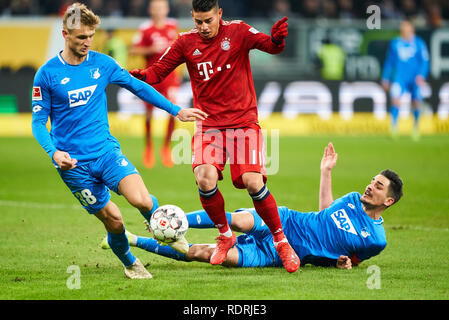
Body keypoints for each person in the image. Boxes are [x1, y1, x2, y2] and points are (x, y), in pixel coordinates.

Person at [31, 3, 207, 279]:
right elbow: (39, 122)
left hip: (105, 153)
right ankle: (130, 262)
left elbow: (138, 87)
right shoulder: (47, 74)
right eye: (81, 38)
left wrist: (176, 110)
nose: (87, 42)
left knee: (143, 200)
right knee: (114, 221)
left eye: (90, 36)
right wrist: (53, 153)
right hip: (73, 165)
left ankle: (168, 232)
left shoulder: (103, 64)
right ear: (65, 34)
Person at [130, 0, 300, 272]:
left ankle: (281, 241)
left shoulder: (238, 32)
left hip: (243, 122)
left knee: (253, 182)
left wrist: (278, 40)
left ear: (219, 14)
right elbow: (157, 72)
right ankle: (224, 234)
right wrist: (137, 77)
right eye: (198, 21)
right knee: (204, 177)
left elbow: (270, 46)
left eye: (209, 20)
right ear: (192, 17)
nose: (204, 27)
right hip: (209, 125)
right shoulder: (185, 42)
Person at [107, 142, 403, 270]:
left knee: (205, 254)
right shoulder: (352, 199)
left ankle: (135, 241)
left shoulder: (376, 240)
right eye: (372, 181)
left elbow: (352, 261)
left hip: (281, 254)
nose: (370, 186)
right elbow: (326, 212)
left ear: (388, 201)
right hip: (289, 222)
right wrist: (326, 171)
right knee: (238, 221)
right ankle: (170, 220)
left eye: (378, 186)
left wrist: (345, 264)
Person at [129, 0, 181, 168]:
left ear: (166, 9)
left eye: (162, 7)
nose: (159, 10)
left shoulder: (173, 26)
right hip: (151, 76)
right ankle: (149, 147)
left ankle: (166, 148)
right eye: (156, 7)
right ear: (151, 10)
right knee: (149, 114)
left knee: (174, 112)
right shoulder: (145, 28)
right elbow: (133, 49)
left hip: (170, 78)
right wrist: (150, 49)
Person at [381, 19, 430, 140]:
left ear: (411, 29)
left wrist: (421, 75)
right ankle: (393, 126)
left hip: (415, 78)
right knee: (395, 99)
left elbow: (425, 61)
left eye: (407, 28)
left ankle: (416, 126)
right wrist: (385, 78)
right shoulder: (395, 43)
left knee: (416, 101)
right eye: (403, 28)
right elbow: (389, 62)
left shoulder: (419, 43)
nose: (405, 31)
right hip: (399, 77)